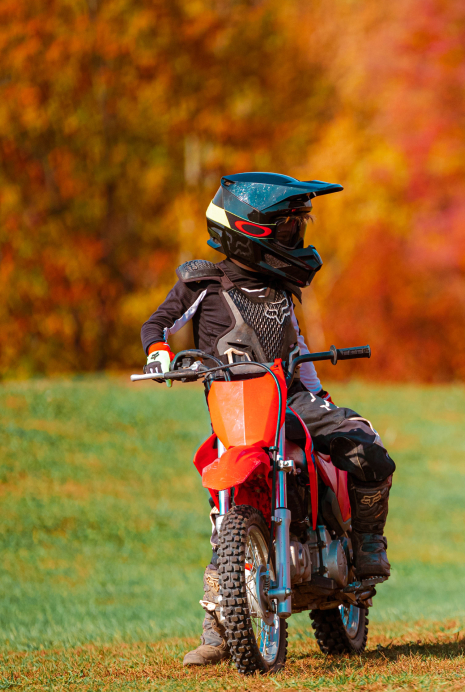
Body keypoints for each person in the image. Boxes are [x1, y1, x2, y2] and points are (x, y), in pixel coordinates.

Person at [140, 173, 398, 665]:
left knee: (369, 451)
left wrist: (324, 404)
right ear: (253, 232)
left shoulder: (282, 290)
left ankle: (366, 545)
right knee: (224, 515)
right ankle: (218, 627)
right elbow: (158, 324)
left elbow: (298, 353)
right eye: (289, 229)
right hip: (236, 405)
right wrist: (158, 352)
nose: (297, 238)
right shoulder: (201, 281)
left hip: (292, 399)